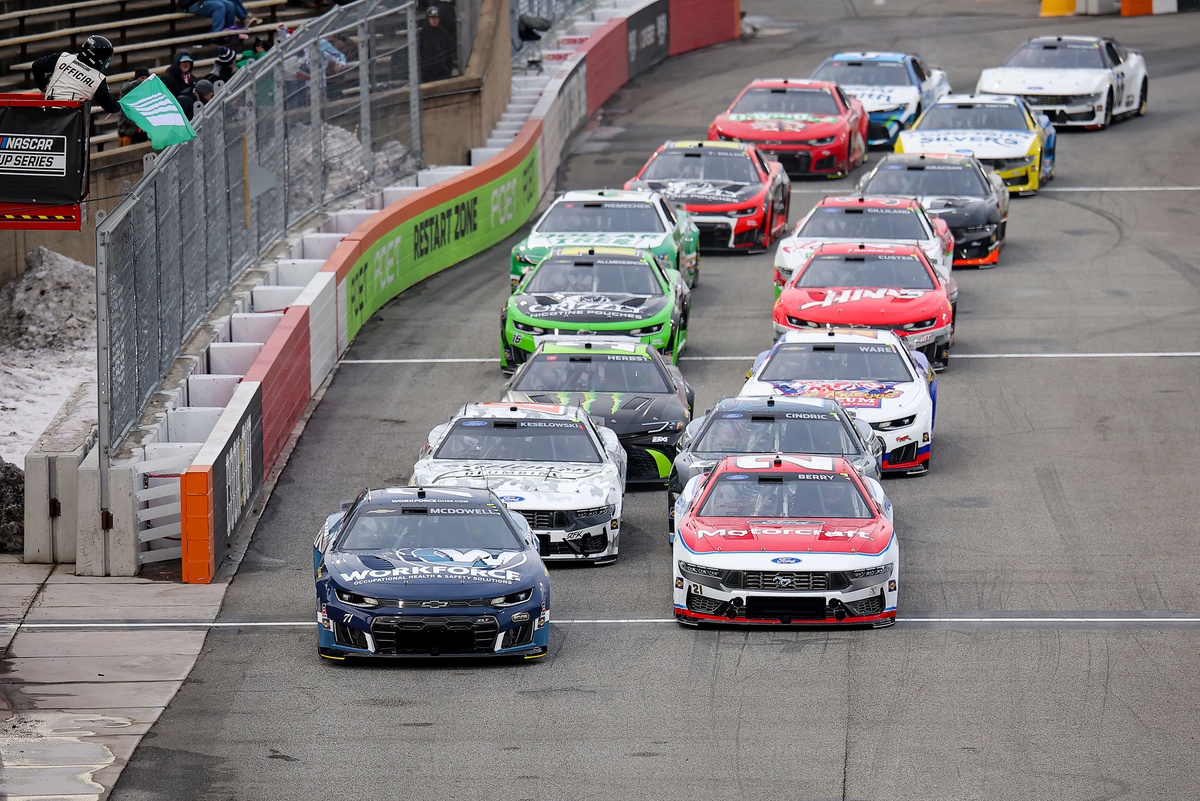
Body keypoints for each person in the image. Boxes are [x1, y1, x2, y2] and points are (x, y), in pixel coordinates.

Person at [30, 34, 121, 113]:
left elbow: (37, 66)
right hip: (70, 121)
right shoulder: (98, 79)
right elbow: (111, 107)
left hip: (47, 111)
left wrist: (43, 87)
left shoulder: (63, 57)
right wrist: (120, 106)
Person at [418, 6, 455, 82]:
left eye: (436, 18)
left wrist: (448, 68)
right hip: (427, 74)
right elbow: (419, 52)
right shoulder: (423, 34)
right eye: (432, 18)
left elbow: (449, 52)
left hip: (442, 72)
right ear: (428, 19)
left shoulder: (443, 33)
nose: (435, 20)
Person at [117, 67, 152, 146]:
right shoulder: (127, 88)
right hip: (129, 131)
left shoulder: (148, 91)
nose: (144, 80)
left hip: (144, 131)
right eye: (142, 78)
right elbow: (127, 87)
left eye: (146, 78)